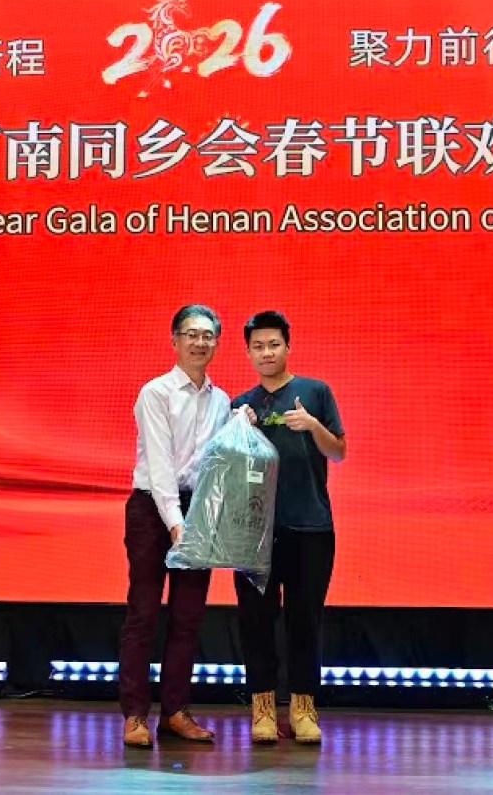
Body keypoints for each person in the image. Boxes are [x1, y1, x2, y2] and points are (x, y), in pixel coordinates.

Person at [118, 305, 231, 748]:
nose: (200, 343)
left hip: (198, 510)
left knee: (188, 616)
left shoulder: (221, 401)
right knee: (144, 612)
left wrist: (206, 519)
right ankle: (134, 714)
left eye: (208, 336)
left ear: (216, 343)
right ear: (175, 340)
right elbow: (161, 465)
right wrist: (175, 523)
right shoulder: (156, 392)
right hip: (152, 510)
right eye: (191, 334)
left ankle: (175, 712)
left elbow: (218, 465)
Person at [231, 311, 345, 745]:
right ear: (248, 353)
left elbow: (338, 452)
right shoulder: (240, 404)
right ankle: (262, 708)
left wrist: (312, 426)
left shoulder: (315, 392)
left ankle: (303, 708)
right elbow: (228, 468)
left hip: (311, 526)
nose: (267, 353)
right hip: (253, 531)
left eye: (274, 344)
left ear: (288, 346)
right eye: (258, 346)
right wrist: (239, 431)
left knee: (305, 620)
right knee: (255, 622)